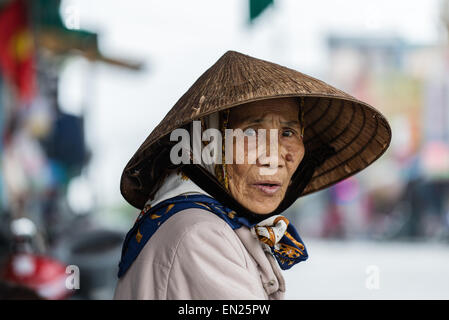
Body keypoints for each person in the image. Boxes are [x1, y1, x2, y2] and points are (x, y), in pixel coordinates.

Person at [113, 50, 391, 299]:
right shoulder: (200, 233)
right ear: (207, 145)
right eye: (250, 132)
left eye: (287, 133)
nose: (274, 158)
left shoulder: (213, 223)